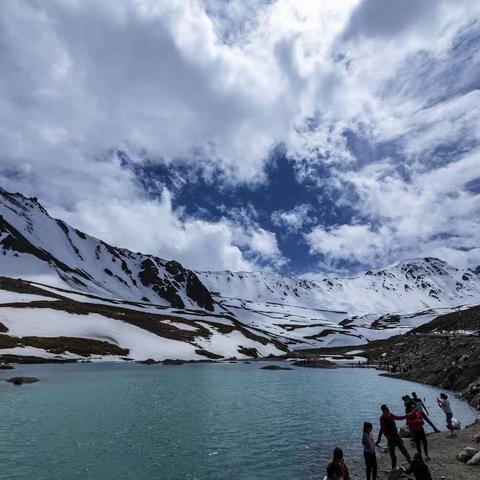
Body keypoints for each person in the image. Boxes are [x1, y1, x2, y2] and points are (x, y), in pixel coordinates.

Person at [376, 405, 412, 469]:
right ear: (383, 410)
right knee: (392, 453)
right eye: (387, 409)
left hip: (396, 435)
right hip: (390, 438)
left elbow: (398, 418)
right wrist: (387, 437)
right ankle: (394, 467)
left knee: (403, 449)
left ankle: (410, 462)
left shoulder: (391, 415)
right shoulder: (382, 418)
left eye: (388, 408)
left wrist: (405, 416)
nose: (388, 409)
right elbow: (383, 429)